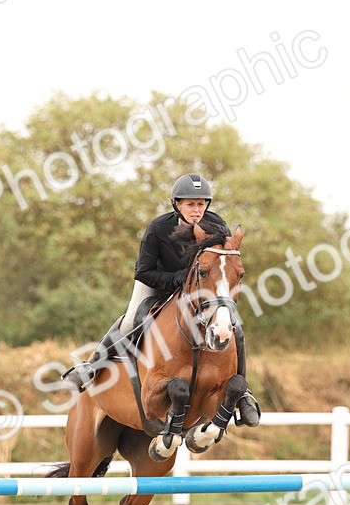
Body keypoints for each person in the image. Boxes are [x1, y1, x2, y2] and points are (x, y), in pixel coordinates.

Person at [63, 173, 260, 426]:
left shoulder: (216, 225)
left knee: (236, 329)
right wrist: (178, 278)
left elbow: (224, 261)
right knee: (131, 320)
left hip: (201, 293)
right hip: (158, 285)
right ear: (177, 204)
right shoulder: (159, 228)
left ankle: (243, 394)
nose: (196, 210)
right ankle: (91, 367)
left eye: (201, 204)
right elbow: (143, 272)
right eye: (190, 204)